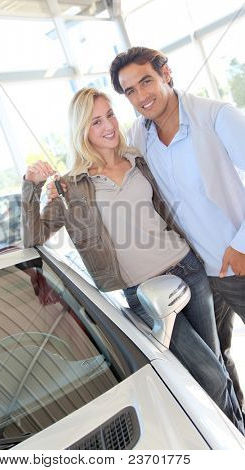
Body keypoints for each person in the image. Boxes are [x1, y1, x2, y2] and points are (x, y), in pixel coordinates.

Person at [21, 87, 244, 433]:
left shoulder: (138, 160)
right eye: (96, 121)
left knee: (217, 364)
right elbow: (33, 237)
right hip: (142, 294)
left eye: (110, 115)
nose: (108, 125)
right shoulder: (70, 188)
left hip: (189, 271)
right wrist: (31, 187)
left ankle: (237, 438)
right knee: (209, 377)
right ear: (82, 130)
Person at [108, 46, 245, 409]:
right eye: (130, 91)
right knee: (218, 362)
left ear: (166, 73)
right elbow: (103, 169)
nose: (141, 96)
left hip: (237, 263)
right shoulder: (139, 137)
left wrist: (243, 243)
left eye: (146, 81)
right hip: (195, 273)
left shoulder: (216, 116)